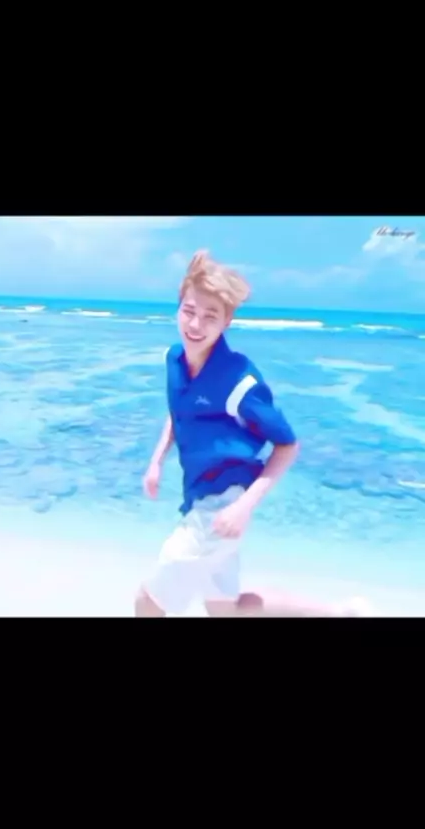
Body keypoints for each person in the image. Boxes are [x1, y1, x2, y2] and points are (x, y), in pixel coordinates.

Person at [134, 251, 373, 617]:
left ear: (227, 321)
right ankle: (342, 612)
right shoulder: (175, 359)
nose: (195, 324)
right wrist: (156, 461)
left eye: (210, 316)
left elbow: (287, 445)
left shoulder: (240, 383)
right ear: (178, 308)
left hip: (222, 505)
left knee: (148, 602)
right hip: (200, 498)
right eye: (189, 311)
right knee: (228, 610)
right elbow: (179, 409)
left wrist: (243, 507)